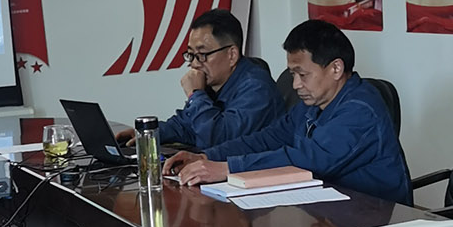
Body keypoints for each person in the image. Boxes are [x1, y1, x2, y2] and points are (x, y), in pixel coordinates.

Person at [164, 20, 411, 204]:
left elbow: (307, 159)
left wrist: (227, 168)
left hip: (377, 219)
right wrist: (207, 157)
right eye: (292, 74)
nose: (295, 85)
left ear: (336, 68)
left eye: (302, 74)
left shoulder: (361, 110)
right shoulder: (312, 104)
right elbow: (267, 139)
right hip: (328, 212)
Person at [116, 9, 284, 149]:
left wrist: (195, 94)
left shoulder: (256, 88)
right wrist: (148, 134)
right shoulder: (214, 84)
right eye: (191, 54)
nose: (195, 64)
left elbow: (217, 140)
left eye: (202, 54)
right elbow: (185, 126)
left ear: (232, 55)